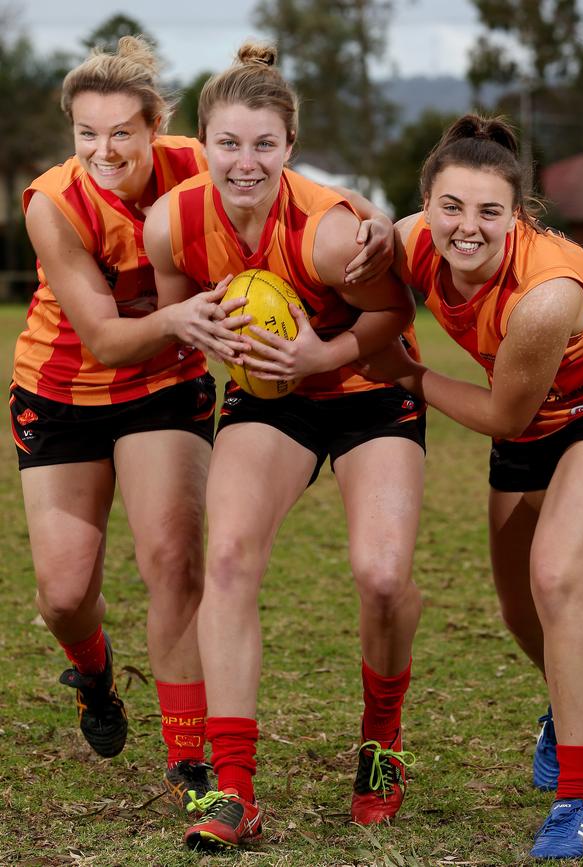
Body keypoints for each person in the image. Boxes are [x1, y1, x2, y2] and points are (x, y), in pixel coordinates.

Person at [8, 35, 390, 811]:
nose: (103, 149)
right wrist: (183, 312)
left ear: (157, 128)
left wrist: (375, 222)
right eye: (86, 133)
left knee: (175, 562)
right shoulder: (54, 203)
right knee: (62, 591)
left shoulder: (204, 158)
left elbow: (295, 181)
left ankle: (189, 763)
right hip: (62, 389)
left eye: (121, 131)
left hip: (165, 383)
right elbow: (109, 338)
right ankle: (93, 670)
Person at [144, 41, 426, 852]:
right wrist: (194, 328)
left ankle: (381, 740)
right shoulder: (173, 224)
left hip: (366, 389)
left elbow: (396, 318)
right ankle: (234, 788)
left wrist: (321, 355)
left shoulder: (332, 234)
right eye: (228, 143)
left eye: (264, 144)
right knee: (227, 558)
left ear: (291, 147)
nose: (244, 161)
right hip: (274, 401)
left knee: (381, 576)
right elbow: (183, 316)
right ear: (201, 145)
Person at [358, 113, 583, 859]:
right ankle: (566, 706)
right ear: (426, 201)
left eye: (489, 211)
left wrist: (411, 376)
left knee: (557, 578)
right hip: (532, 415)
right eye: (451, 206)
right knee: (519, 607)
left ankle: (581, 803)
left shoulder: (546, 294)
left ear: (515, 216)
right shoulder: (412, 238)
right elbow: (349, 277)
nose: (466, 227)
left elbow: (499, 414)